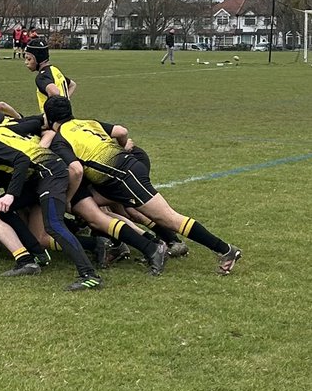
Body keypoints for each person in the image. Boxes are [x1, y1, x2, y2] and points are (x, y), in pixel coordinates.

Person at [42, 96, 241, 275]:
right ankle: (126, 245)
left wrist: (66, 199)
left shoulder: (60, 139)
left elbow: (75, 170)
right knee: (90, 211)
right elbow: (122, 131)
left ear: (50, 120)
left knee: (169, 218)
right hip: (117, 175)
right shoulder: (87, 122)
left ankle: (225, 250)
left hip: (122, 176)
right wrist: (120, 148)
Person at [0, 124, 103, 291]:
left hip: (50, 174)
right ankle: (37, 255)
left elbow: (22, 160)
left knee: (54, 225)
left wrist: (11, 194)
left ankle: (89, 275)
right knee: (1, 209)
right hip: (40, 176)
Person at [24, 37, 77, 114]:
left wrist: (49, 116)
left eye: (29, 59)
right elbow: (72, 84)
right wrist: (66, 101)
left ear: (38, 59)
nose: (26, 62)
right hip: (65, 117)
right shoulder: (55, 70)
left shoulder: (42, 77)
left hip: (54, 122)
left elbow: (55, 92)